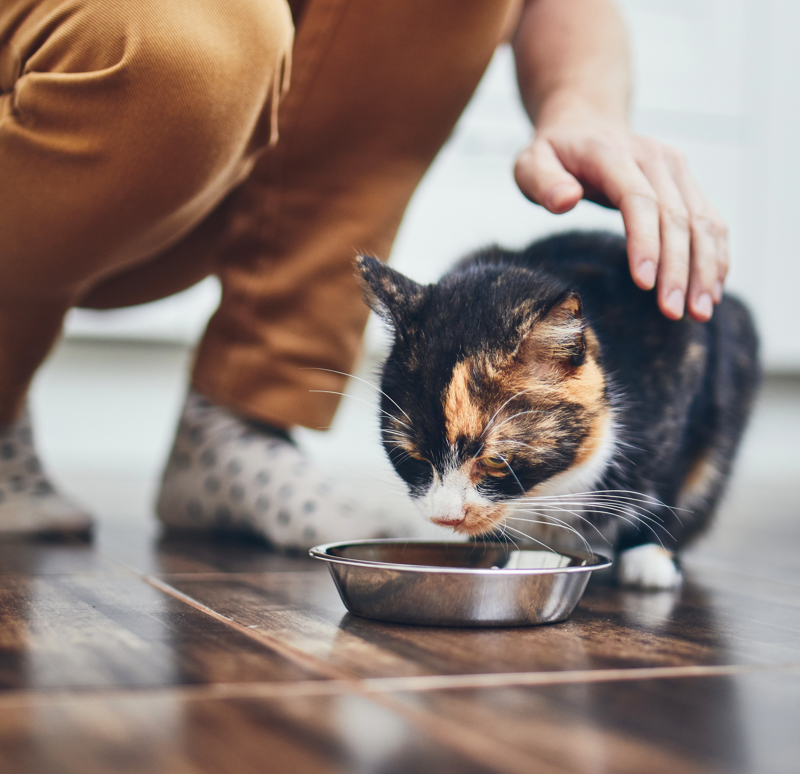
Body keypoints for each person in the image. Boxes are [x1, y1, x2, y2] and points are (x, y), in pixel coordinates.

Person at [0, 0, 728, 542]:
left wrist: (583, 108)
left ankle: (241, 418)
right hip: (79, 109)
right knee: (194, 49)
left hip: (199, 188)